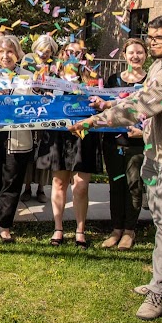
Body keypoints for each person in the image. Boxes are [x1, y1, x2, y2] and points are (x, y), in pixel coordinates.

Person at [70, 15, 162, 320]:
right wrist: (109, 104)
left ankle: (159, 293)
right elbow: (140, 94)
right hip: (161, 152)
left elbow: (141, 106)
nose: (152, 43)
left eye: (159, 38)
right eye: (150, 37)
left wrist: (92, 122)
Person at [39, 40, 100, 250]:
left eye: (78, 52)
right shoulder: (52, 78)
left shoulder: (91, 79)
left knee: (81, 187)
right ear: (63, 54)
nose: (73, 56)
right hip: (59, 135)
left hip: (84, 135)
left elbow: (99, 105)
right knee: (59, 183)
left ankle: (80, 230)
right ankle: (58, 228)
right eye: (69, 51)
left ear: (84, 56)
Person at [0, 35, 33, 243]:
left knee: (11, 181)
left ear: (17, 54)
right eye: (1, 52)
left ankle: (5, 225)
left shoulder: (28, 77)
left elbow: (33, 105)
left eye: (10, 51)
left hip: (16, 137)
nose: (5, 56)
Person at [100, 38, 147, 250]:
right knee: (116, 186)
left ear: (145, 55)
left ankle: (129, 231)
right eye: (131, 53)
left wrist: (143, 132)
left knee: (134, 186)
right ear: (124, 56)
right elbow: (106, 107)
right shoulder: (113, 80)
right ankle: (116, 229)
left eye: (139, 52)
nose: (135, 56)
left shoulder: (151, 80)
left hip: (138, 143)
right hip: (112, 142)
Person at [19, 34, 59, 204]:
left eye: (48, 51)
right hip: (29, 110)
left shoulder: (55, 64)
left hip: (47, 112)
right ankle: (27, 187)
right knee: (29, 148)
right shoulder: (28, 59)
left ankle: (41, 188)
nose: (43, 54)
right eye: (41, 50)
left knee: (44, 149)